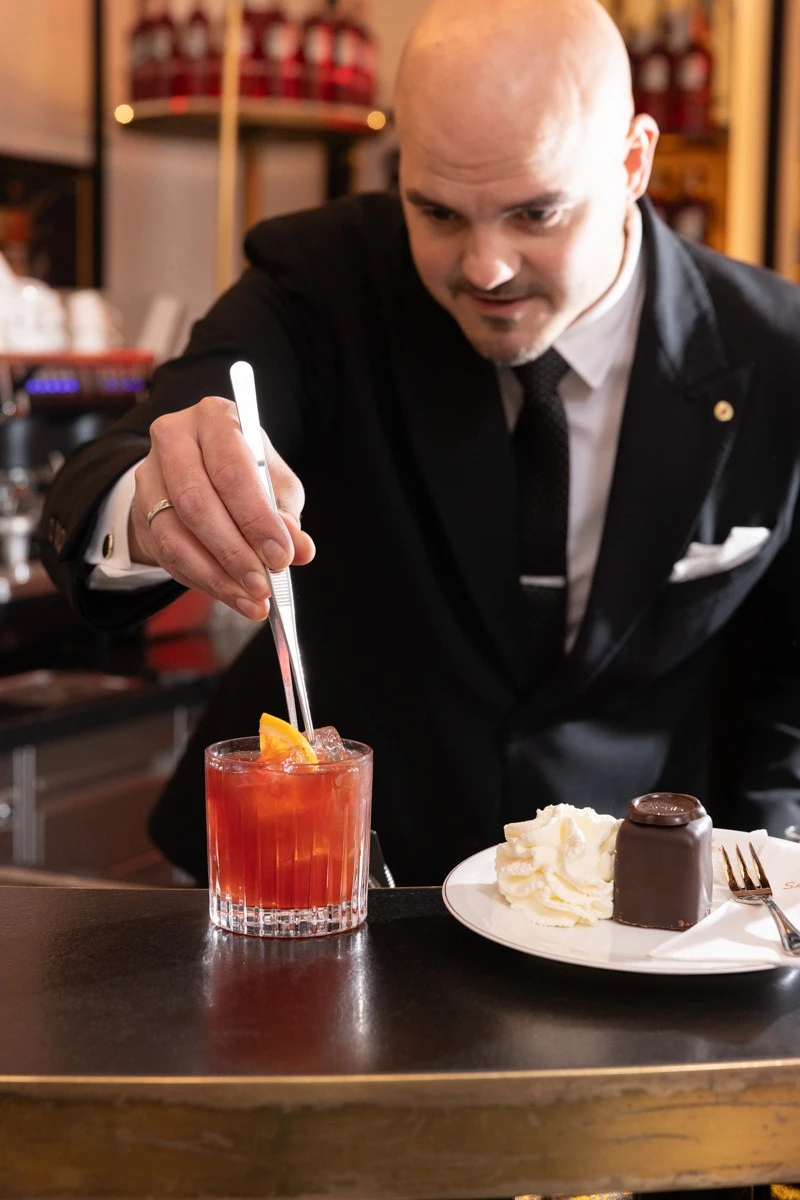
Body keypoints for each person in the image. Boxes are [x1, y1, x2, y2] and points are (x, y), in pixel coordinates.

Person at [41, 0, 800, 887]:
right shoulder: (324, 278)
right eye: (437, 212)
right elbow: (130, 457)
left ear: (635, 161)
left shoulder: (776, 355)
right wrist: (154, 494)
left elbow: (787, 688)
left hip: (621, 914)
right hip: (312, 884)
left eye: (536, 214)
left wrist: (760, 898)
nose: (486, 268)